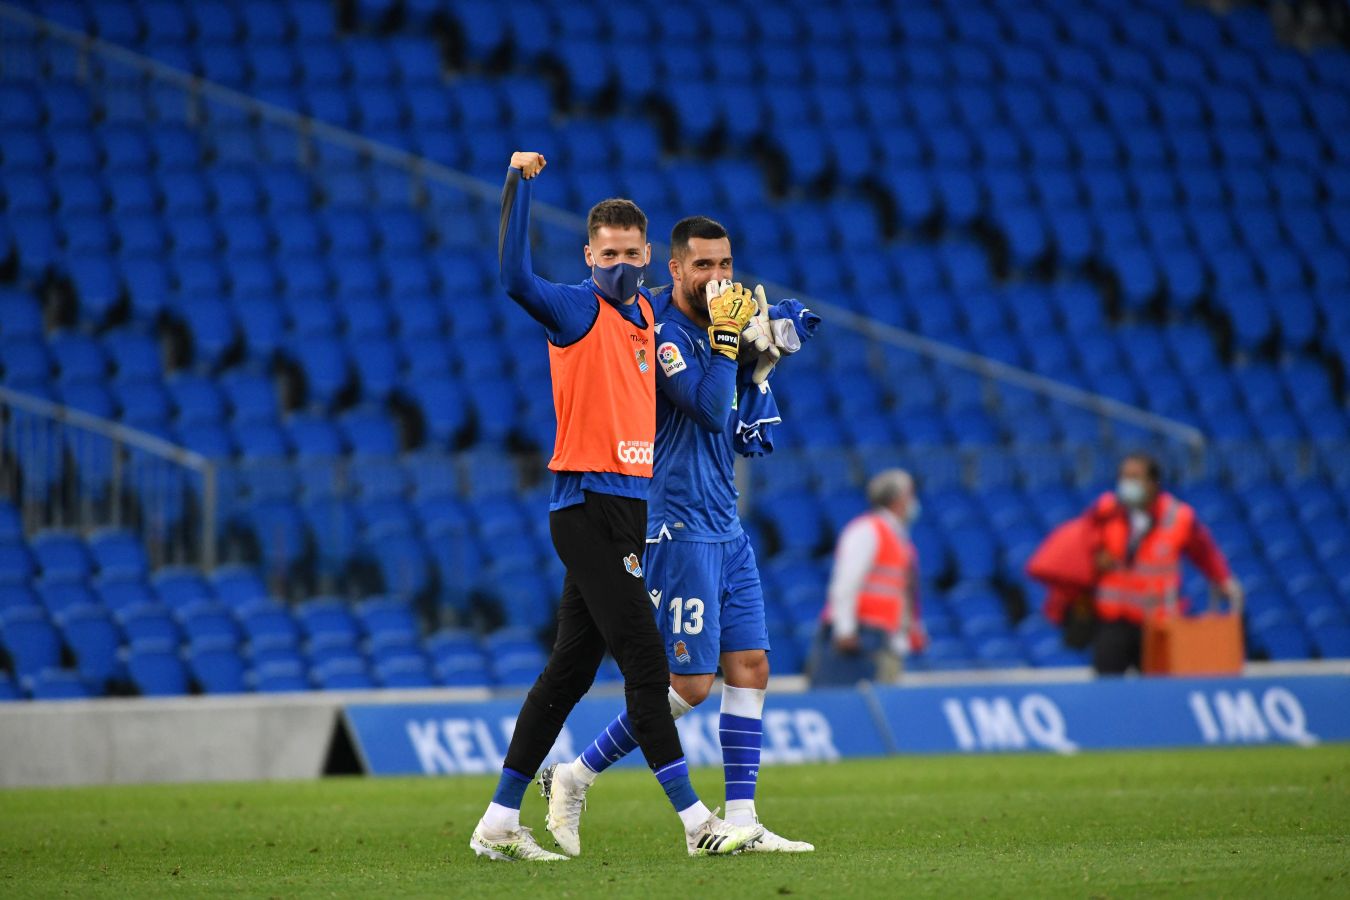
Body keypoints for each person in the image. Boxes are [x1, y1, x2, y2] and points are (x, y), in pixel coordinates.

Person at [469, 154, 763, 861]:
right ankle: (697, 823)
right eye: (609, 254)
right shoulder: (577, 306)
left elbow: (706, 355)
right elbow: (512, 278)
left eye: (633, 253)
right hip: (586, 505)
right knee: (645, 662)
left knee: (569, 670)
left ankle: (498, 821)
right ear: (589, 255)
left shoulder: (644, 314)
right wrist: (518, 185)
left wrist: (757, 330)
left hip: (630, 509)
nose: (622, 264)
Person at [536, 216, 817, 857]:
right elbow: (709, 409)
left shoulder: (726, 319)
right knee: (689, 684)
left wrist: (762, 345)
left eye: (725, 265)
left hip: (725, 517)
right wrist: (727, 341)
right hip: (675, 519)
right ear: (675, 268)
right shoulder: (658, 328)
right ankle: (574, 777)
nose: (718, 278)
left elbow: (739, 389)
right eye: (704, 267)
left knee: (751, 665)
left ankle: (740, 818)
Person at [1028, 452, 1244, 675]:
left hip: (1157, 624)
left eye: (1134, 477)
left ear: (1152, 483)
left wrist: (1222, 579)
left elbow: (1204, 552)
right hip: (1113, 619)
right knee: (1108, 689)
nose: (1126, 483)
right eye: (1123, 477)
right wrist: (1094, 561)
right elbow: (1081, 544)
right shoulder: (1106, 511)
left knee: (1157, 691)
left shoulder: (1178, 518)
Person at [809, 469, 926, 687]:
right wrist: (845, 629)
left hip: (881, 637)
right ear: (897, 499)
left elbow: (901, 592)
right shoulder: (867, 530)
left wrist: (908, 632)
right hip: (860, 638)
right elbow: (846, 583)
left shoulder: (898, 537)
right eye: (910, 495)